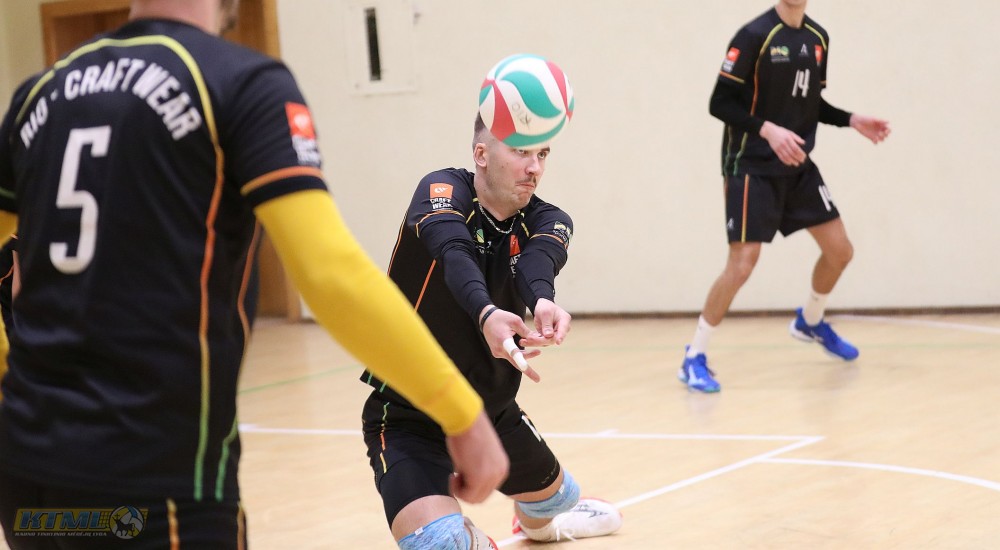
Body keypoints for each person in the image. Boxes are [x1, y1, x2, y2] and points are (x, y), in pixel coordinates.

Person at [0, 0, 507, 547]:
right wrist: (459, 411)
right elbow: (331, 276)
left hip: (25, 479)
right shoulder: (240, 82)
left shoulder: (37, 95)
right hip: (150, 484)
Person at [360, 107, 623, 548]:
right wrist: (485, 312)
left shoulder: (550, 219)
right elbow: (454, 251)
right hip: (409, 415)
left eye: (542, 154)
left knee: (559, 500)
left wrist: (542, 301)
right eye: (521, 151)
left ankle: (544, 521)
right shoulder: (442, 191)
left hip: (492, 412)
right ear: (481, 154)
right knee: (442, 543)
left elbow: (537, 263)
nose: (535, 167)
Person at [678, 0, 891, 393]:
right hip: (751, 165)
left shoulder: (818, 38)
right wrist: (767, 130)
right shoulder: (754, 35)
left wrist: (851, 120)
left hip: (797, 164)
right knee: (742, 264)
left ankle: (810, 321)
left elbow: (809, 103)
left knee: (840, 251)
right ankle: (695, 355)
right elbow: (719, 102)